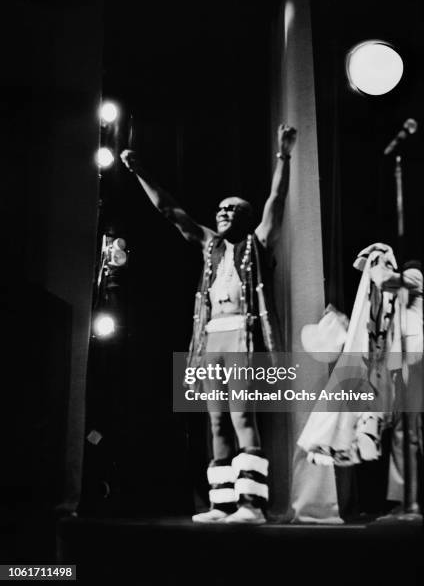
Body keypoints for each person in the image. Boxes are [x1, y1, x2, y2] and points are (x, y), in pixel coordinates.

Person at [121, 124, 297, 524]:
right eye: (220, 208)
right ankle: (222, 504)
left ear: (247, 218)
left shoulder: (259, 241)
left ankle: (252, 505)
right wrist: (140, 171)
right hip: (208, 339)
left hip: (241, 336)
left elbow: (277, 199)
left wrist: (283, 156)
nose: (222, 212)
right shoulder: (208, 245)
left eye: (232, 208)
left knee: (241, 416)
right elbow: (170, 211)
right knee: (215, 419)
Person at [298, 243, 423, 518]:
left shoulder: (414, 280)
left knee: (410, 436)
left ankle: (411, 503)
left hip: (416, 365)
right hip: (402, 367)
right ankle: (405, 502)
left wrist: (379, 255)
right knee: (403, 437)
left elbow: (381, 278)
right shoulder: (400, 299)